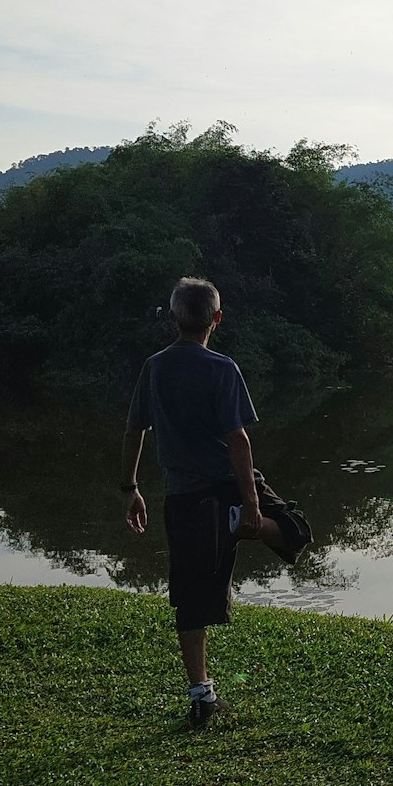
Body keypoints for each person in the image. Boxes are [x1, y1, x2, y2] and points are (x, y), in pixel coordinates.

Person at [119, 277, 313, 723]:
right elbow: (238, 441)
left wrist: (129, 489)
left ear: (174, 319)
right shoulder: (222, 367)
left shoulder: (155, 366)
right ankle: (234, 521)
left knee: (190, 598)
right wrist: (250, 506)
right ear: (217, 319)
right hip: (227, 487)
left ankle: (201, 697)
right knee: (295, 530)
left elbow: (135, 431)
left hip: (183, 497)